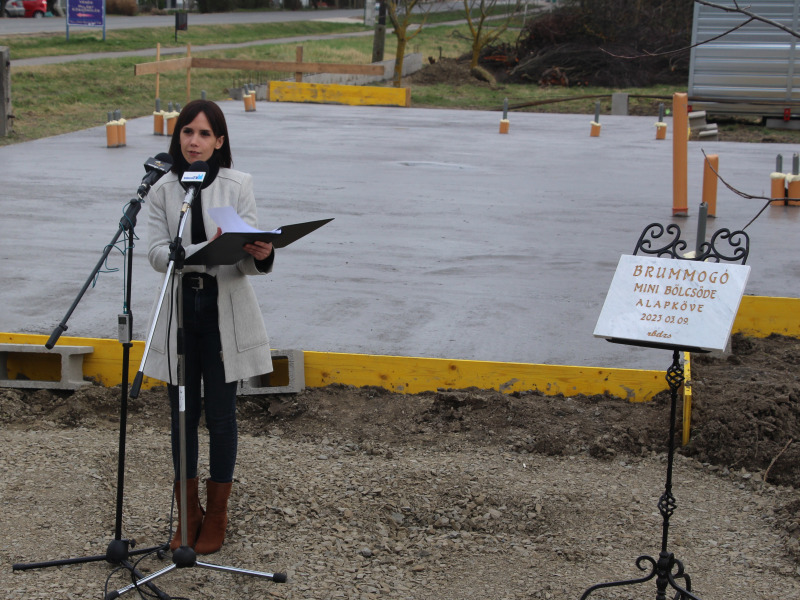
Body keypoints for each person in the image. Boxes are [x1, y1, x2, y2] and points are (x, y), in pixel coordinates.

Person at [143, 99, 274, 555]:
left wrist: (260, 253)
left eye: (203, 134)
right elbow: (156, 252)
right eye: (186, 133)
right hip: (182, 311)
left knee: (220, 417)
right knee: (182, 418)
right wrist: (187, 252)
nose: (194, 142)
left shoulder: (240, 184)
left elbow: (246, 253)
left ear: (220, 141)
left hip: (224, 312)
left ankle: (217, 514)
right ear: (177, 139)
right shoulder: (162, 188)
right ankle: (188, 513)